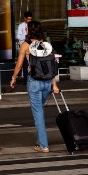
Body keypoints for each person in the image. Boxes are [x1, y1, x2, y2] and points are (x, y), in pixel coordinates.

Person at [9, 21, 60, 154]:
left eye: (26, 28)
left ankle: (44, 145)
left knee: (38, 114)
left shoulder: (26, 45)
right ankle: (40, 139)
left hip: (34, 82)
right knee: (40, 110)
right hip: (47, 82)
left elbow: (19, 65)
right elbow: (51, 66)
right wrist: (54, 84)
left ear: (29, 30)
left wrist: (13, 78)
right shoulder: (45, 43)